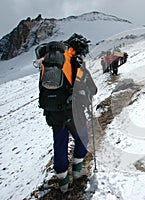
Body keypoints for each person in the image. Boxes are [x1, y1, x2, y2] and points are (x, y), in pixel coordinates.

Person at [36, 33, 97, 193]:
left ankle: (63, 181)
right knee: (82, 136)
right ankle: (77, 170)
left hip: (52, 110)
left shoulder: (49, 60)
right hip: (71, 110)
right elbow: (92, 87)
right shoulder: (74, 60)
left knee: (60, 142)